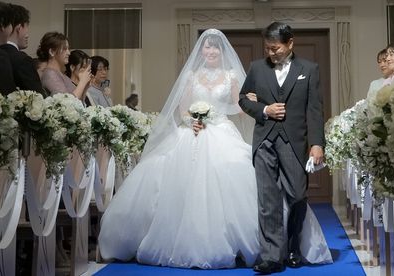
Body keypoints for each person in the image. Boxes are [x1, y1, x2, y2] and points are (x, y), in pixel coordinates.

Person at [99, 29, 331, 270]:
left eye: (215, 48)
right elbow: (183, 108)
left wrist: (256, 105)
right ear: (201, 51)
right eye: (206, 47)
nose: (210, 51)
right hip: (194, 133)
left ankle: (274, 245)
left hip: (222, 129)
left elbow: (240, 104)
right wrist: (191, 120)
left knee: (246, 177)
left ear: (222, 51)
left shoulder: (232, 76)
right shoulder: (191, 76)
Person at [239, 21, 325, 273]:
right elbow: (243, 99)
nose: (271, 53)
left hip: (294, 141)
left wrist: (317, 143)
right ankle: (272, 257)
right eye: (267, 48)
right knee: (268, 200)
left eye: (275, 48)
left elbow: (315, 110)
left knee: (297, 195)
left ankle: (293, 246)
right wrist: (264, 109)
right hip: (264, 140)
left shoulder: (309, 69)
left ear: (290, 43)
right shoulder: (256, 68)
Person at [0, 4, 45, 94]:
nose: (27, 35)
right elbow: (37, 96)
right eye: (26, 28)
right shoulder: (22, 60)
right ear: (19, 28)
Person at [38, 32, 90, 99]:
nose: (69, 53)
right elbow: (67, 101)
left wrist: (85, 85)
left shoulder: (61, 74)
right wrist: (83, 81)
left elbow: (80, 101)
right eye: (65, 49)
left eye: (68, 49)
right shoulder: (50, 74)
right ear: (52, 52)